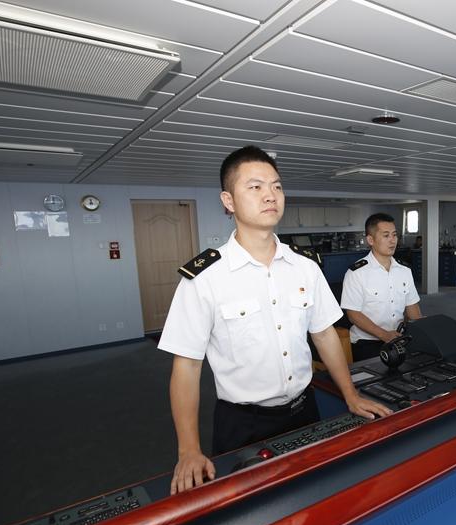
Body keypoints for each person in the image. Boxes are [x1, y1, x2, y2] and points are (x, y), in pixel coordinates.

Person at [158, 146, 392, 494]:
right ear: (228, 200)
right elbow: (187, 367)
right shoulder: (204, 278)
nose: (270, 195)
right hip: (242, 423)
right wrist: (188, 450)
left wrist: (350, 394)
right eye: (255, 187)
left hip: (305, 409)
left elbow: (325, 335)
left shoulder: (305, 266)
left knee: (313, 494)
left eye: (277, 186)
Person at [341, 213, 422, 362]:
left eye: (394, 235)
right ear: (370, 240)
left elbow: (412, 307)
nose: (392, 240)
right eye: (386, 235)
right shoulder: (356, 273)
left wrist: (424, 329)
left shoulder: (404, 271)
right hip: (367, 343)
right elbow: (353, 314)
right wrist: (384, 335)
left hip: (398, 338)